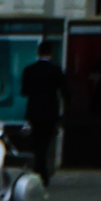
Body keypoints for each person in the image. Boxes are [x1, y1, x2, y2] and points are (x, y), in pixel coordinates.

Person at [20, 38, 63, 183]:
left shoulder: (29, 70)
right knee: (45, 143)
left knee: (37, 142)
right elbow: (64, 90)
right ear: (50, 53)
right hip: (50, 112)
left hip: (34, 111)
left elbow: (24, 91)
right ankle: (42, 173)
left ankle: (39, 171)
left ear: (38, 53)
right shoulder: (56, 70)